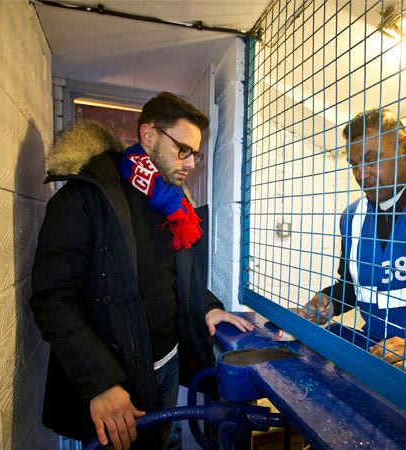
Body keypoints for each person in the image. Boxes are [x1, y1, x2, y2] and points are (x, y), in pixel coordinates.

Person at [30, 92, 253, 450]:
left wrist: (208, 306)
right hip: (117, 377)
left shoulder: (173, 204)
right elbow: (53, 299)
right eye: (183, 149)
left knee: (161, 443)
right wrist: (101, 382)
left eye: (195, 154)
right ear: (149, 136)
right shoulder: (86, 195)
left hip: (168, 364)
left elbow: (176, 276)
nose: (191, 163)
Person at [299, 108, 406, 379]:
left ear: (405, 147)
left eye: (372, 160)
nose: (361, 174)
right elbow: (353, 286)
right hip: (374, 357)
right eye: (354, 164)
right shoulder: (352, 217)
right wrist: (330, 300)